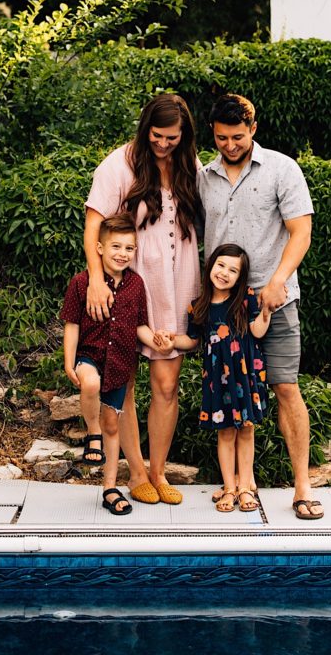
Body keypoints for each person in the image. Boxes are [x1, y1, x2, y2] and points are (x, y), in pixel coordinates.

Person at [198, 93, 324, 520]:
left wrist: (276, 283)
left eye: (237, 136)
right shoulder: (203, 176)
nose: (229, 145)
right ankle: (236, 483)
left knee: (286, 387)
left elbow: (300, 232)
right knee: (229, 398)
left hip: (273, 299)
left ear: (253, 129)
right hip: (221, 307)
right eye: (221, 138)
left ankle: (302, 486)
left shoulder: (282, 169)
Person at [84, 94, 202, 505]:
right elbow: (94, 223)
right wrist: (97, 280)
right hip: (133, 284)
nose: (164, 144)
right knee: (126, 382)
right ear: (145, 128)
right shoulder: (120, 164)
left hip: (180, 282)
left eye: (173, 137)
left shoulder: (190, 166)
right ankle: (135, 472)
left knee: (167, 384)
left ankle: (158, 470)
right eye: (158, 136)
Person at [60, 214, 164, 515]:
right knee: (90, 385)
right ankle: (92, 434)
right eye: (116, 246)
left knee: (113, 425)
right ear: (100, 247)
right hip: (89, 356)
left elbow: (139, 326)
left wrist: (154, 338)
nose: (122, 253)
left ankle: (109, 487)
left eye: (129, 249)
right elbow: (71, 324)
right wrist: (69, 362)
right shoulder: (82, 282)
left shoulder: (135, 284)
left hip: (119, 363)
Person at [169, 244, 270, 513]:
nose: (224, 273)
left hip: (245, 375)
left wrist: (267, 311)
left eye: (233, 270)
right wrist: (168, 340)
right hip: (219, 379)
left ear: (240, 277)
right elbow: (191, 340)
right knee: (225, 432)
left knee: (246, 428)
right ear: (210, 265)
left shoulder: (245, 299)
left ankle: (246, 487)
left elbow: (257, 331)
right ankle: (229, 487)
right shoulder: (198, 307)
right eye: (221, 265)